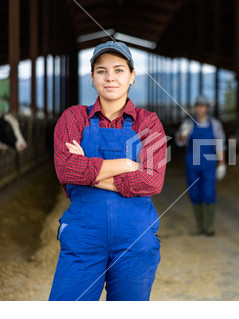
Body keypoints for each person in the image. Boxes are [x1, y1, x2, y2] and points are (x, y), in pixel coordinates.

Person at [49, 41, 167, 301]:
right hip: (83, 238)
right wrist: (126, 165)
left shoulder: (149, 122)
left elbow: (152, 181)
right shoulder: (73, 118)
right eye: (101, 71)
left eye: (119, 70)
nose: (110, 77)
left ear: (132, 75)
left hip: (135, 240)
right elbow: (66, 169)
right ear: (92, 77)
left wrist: (88, 172)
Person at [176, 95, 226, 236]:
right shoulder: (188, 124)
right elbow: (180, 142)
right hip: (193, 162)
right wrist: (183, 134)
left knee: (209, 192)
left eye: (203, 106)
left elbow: (220, 144)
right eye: (198, 106)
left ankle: (209, 227)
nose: (200, 109)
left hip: (209, 163)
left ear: (207, 108)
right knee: (194, 192)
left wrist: (222, 164)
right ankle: (200, 226)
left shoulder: (215, 124)